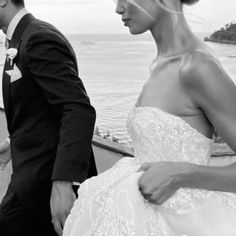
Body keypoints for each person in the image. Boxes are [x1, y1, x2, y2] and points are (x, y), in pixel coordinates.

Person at [64, 0, 236, 235]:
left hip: (184, 223)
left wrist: (182, 174)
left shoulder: (196, 66)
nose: (118, 8)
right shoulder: (160, 64)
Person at [0, 0, 97, 235]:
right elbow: (40, 109)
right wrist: (12, 145)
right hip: (30, 176)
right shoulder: (21, 37)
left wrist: (64, 183)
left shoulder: (38, 38)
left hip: (46, 182)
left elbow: (77, 109)